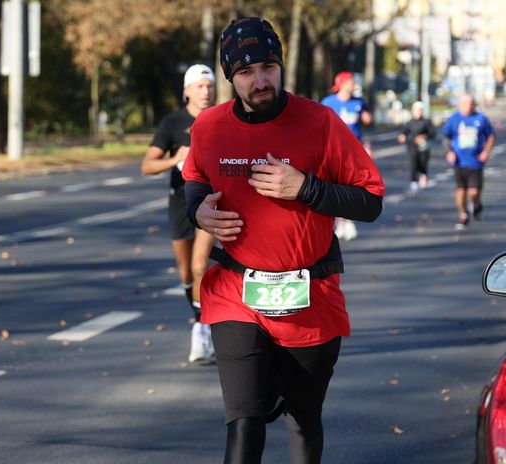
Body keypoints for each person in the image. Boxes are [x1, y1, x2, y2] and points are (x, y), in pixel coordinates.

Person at [182, 17, 384, 464]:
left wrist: (306, 188)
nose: (260, 80)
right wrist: (198, 210)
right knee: (244, 421)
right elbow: (194, 176)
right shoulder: (210, 128)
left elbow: (370, 201)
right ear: (230, 76)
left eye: (268, 67)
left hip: (309, 297)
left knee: (303, 419)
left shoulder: (321, 123)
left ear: (280, 66)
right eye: (246, 72)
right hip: (237, 293)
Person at [141, 64, 217, 363]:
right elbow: (147, 166)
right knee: (186, 273)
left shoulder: (223, 119)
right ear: (186, 91)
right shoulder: (173, 123)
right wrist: (176, 158)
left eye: (209, 85)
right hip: (179, 202)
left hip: (210, 203)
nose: (206, 91)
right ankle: (200, 314)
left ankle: (201, 328)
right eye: (199, 86)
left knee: (200, 267)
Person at [321, 72, 373, 241]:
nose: (354, 85)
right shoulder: (329, 103)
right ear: (342, 84)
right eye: (351, 82)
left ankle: (347, 221)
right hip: (333, 150)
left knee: (351, 186)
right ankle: (339, 222)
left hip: (354, 151)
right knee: (336, 186)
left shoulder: (358, 102)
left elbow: (367, 121)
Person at [443, 93, 496, 230]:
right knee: (461, 190)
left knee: (474, 192)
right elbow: (446, 138)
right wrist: (449, 151)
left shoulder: (480, 118)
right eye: (464, 103)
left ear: (474, 104)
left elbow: (491, 135)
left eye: (470, 103)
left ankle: (476, 205)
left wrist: (486, 151)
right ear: (460, 105)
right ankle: (463, 214)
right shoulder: (454, 119)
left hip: (476, 161)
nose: (468, 106)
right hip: (459, 162)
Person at [397, 101, 436, 194]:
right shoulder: (410, 123)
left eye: (421, 110)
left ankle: (423, 174)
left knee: (422, 162)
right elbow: (404, 133)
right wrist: (403, 137)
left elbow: (433, 133)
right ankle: (414, 183)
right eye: (417, 110)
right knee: (413, 163)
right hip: (412, 147)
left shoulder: (426, 122)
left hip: (424, 148)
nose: (419, 112)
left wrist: (425, 137)